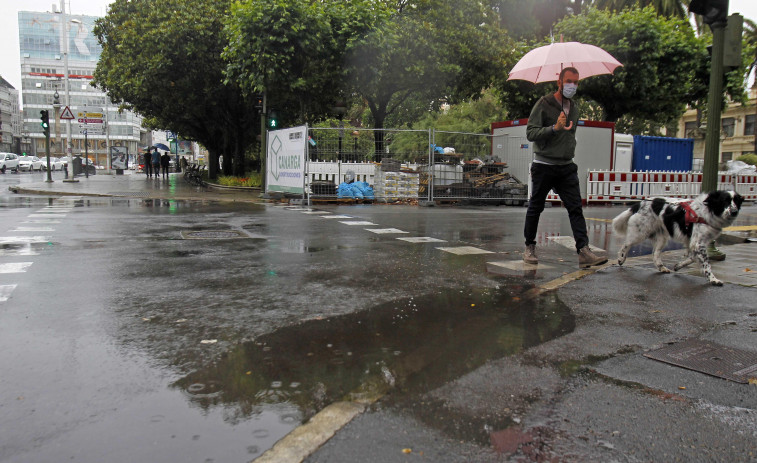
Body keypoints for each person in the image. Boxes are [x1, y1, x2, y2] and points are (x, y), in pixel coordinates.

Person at [523, 66, 607, 268]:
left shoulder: (574, 107)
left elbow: (569, 135)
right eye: (569, 81)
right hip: (544, 165)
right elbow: (531, 133)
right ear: (559, 82)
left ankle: (584, 251)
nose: (573, 85)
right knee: (536, 207)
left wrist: (564, 134)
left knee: (575, 208)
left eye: (576, 82)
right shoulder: (544, 103)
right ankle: (529, 247)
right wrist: (553, 128)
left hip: (566, 166)